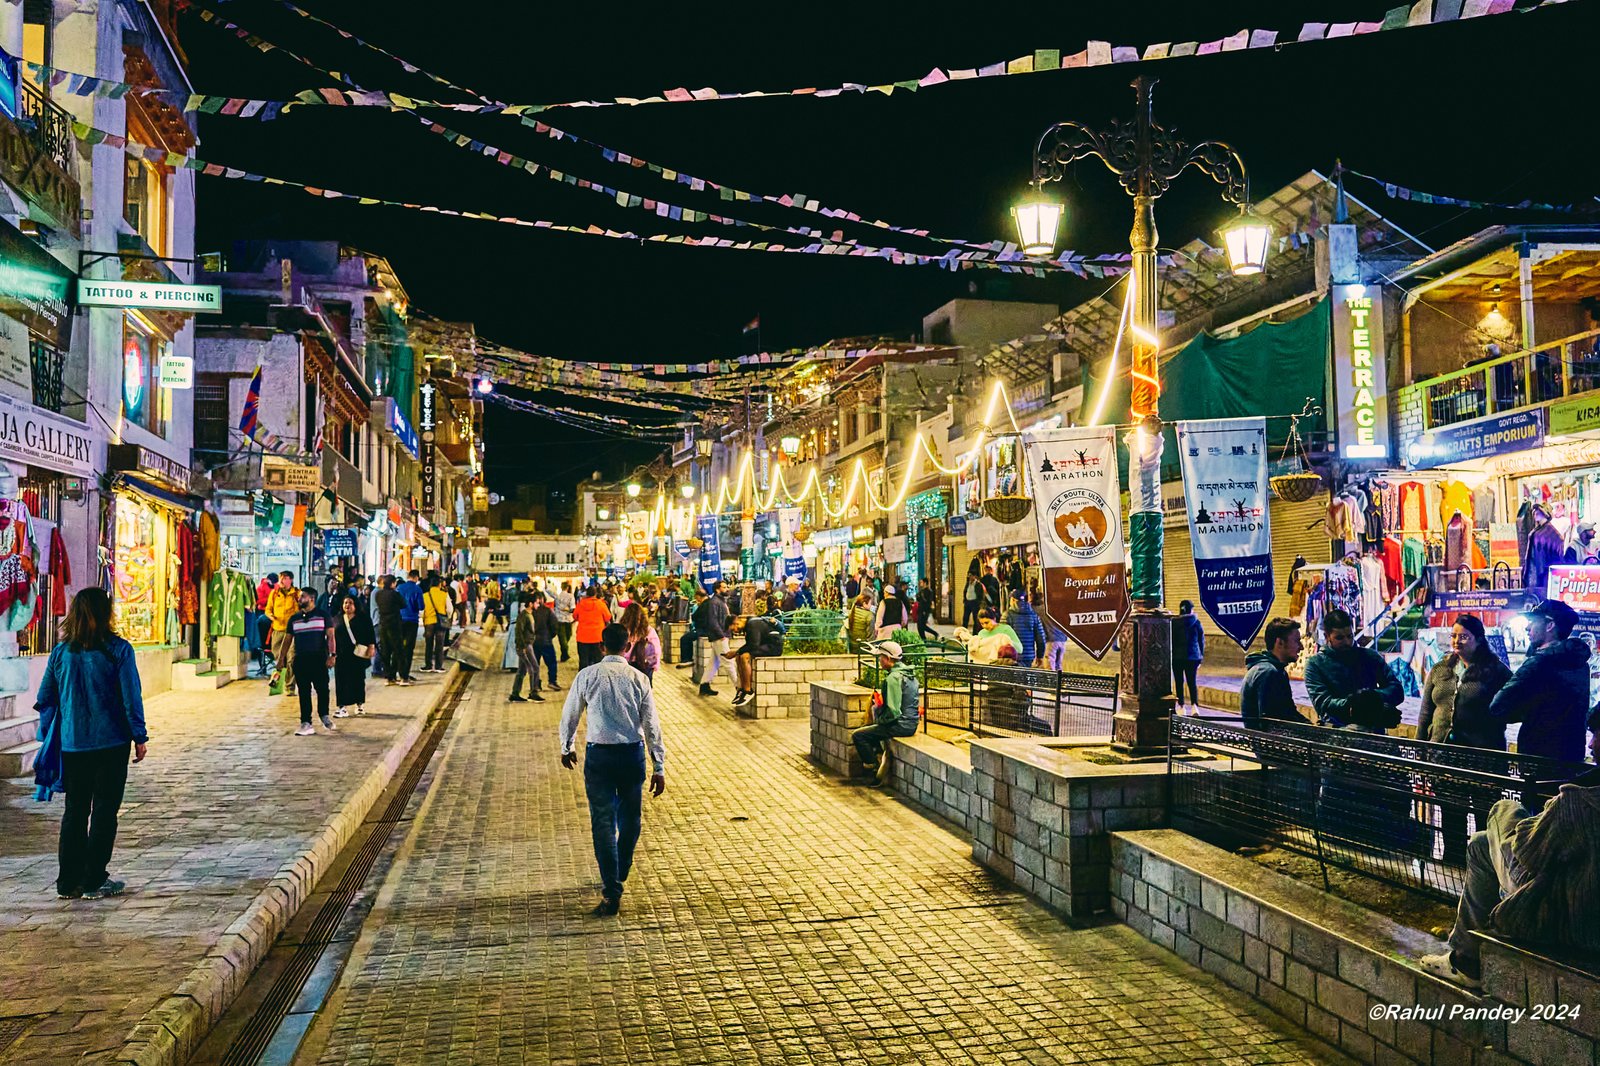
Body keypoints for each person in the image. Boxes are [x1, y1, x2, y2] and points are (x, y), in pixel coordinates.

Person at [1420, 784, 1600, 990]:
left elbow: (1528, 853)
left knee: (1504, 808)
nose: (1592, 749)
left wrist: (1548, 812)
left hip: (1559, 920)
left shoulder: (1579, 801)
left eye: (1597, 748)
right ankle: (1465, 956)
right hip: (1588, 920)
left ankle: (1467, 959)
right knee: (1480, 843)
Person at [36, 588, 147, 900]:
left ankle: (67, 881)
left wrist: (56, 729)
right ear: (105, 614)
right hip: (111, 743)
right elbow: (131, 697)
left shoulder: (61, 653)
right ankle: (94, 879)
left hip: (73, 745)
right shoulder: (118, 650)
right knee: (104, 812)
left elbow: (45, 697)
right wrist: (139, 735)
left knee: (75, 811)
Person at [559, 622, 667, 917]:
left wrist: (566, 746)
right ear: (627, 647)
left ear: (601, 647)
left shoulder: (587, 676)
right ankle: (622, 865)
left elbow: (570, 714)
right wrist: (659, 765)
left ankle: (611, 885)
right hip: (632, 754)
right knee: (631, 818)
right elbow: (651, 725)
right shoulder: (639, 679)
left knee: (602, 823)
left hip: (600, 758)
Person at [1418, 614, 1514, 861]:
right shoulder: (1442, 669)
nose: (1457, 641)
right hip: (1444, 757)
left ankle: (1484, 868)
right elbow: (1427, 711)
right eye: (1454, 636)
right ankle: (1453, 862)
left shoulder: (1495, 671)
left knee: (1485, 815)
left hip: (1481, 757)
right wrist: (1420, 747)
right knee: (1451, 812)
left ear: (1479, 639)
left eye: (1464, 636)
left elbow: (1511, 707)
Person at [1489, 599, 1592, 762]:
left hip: (1537, 757)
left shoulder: (1539, 662)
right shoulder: (1581, 664)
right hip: (1573, 754)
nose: (1527, 627)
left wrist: (1529, 712)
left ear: (1550, 625)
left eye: (1532, 622)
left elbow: (1498, 706)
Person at [1303, 609, 1404, 731]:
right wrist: (1357, 703)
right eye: (1339, 638)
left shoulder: (1370, 656)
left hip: (1373, 731)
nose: (1347, 642)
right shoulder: (1315, 664)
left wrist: (1370, 698)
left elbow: (1396, 689)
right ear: (1327, 636)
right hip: (1337, 731)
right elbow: (1323, 703)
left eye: (1350, 636)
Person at [851, 640, 920, 786]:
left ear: (888, 659)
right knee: (873, 734)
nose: (879, 661)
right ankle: (879, 758)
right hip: (911, 723)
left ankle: (873, 771)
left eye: (881, 657)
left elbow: (893, 712)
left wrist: (879, 719)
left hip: (900, 725)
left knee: (859, 736)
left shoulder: (893, 679)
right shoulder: (909, 674)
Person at [287, 590, 338, 736]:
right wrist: (282, 658)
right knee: (303, 691)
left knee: (322, 689)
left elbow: (330, 637)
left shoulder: (323, 615)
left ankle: (324, 715)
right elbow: (288, 639)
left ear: (312, 598)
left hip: (318, 658)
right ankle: (306, 722)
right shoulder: (294, 619)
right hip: (301, 658)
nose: (300, 598)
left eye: (303, 596)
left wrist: (332, 655)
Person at [1239, 618, 1304, 728]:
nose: (1301, 647)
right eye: (1297, 641)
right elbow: (1271, 723)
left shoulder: (1274, 670)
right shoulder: (1268, 673)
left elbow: (1289, 713)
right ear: (1280, 643)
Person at [725, 612, 783, 707]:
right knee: (739, 656)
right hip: (766, 645)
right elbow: (751, 645)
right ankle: (742, 689)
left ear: (736, 621)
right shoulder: (749, 624)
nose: (735, 631)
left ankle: (748, 690)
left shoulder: (752, 624)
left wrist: (736, 652)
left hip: (773, 646)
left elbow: (753, 645)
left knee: (744, 656)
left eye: (734, 628)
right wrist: (737, 652)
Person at [333, 595, 376, 717]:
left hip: (357, 654)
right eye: (345, 603)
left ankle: (360, 704)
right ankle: (342, 706)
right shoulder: (337, 619)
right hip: (341, 654)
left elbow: (370, 634)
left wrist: (371, 647)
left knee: (358, 679)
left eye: (350, 603)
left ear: (356, 605)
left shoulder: (363, 619)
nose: (347, 605)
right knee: (341, 680)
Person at [510, 592, 556, 703]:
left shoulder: (529, 614)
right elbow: (519, 632)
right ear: (530, 604)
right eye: (536, 603)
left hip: (528, 644)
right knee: (534, 668)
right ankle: (533, 692)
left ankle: (515, 693)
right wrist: (522, 646)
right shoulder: (524, 615)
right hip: (526, 646)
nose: (538, 605)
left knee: (522, 670)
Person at [690, 583, 730, 696]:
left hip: (722, 635)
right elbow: (713, 621)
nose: (727, 589)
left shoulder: (721, 601)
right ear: (717, 590)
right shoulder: (714, 602)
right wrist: (721, 635)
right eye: (724, 587)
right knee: (729, 663)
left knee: (714, 662)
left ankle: (704, 685)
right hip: (720, 637)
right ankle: (740, 688)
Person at [264, 571, 300, 696]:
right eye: (281, 578)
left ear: (290, 580)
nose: (282, 581)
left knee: (291, 658)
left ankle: (290, 687)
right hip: (277, 630)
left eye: (284, 578)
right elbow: (268, 609)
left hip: (292, 632)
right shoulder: (274, 594)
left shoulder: (297, 594)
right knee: (279, 658)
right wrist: (271, 616)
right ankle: (280, 682)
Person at [373, 575, 411, 687]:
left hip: (382, 623)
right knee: (399, 650)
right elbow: (404, 604)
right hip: (394, 624)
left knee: (385, 651)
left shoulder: (378, 594)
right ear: (392, 583)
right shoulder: (395, 594)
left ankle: (389, 677)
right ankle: (403, 677)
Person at [1170, 601, 1206, 714]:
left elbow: (1170, 641)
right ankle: (1194, 706)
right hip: (1193, 657)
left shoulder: (1173, 623)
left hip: (1177, 658)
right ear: (1191, 609)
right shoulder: (1196, 623)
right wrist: (1200, 656)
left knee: (1179, 682)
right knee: (1192, 682)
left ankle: (1181, 706)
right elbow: (1201, 641)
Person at [574, 585, 613, 669]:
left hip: (582, 636)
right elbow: (608, 617)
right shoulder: (601, 604)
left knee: (583, 661)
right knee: (598, 661)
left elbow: (575, 616)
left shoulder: (581, 604)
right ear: (596, 594)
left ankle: (583, 678)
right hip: (597, 637)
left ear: (587, 594)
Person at [421, 575, 453, 674]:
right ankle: (439, 666)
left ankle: (428, 665)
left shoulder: (425, 595)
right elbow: (450, 609)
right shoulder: (444, 594)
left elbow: (422, 610)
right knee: (440, 644)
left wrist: (424, 618)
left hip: (429, 622)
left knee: (428, 644)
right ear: (439, 584)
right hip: (441, 622)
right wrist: (446, 616)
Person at [1007, 590, 1047, 668]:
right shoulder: (1033, 615)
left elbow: (1003, 637)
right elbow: (1041, 638)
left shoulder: (1007, 615)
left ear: (1013, 600)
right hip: (1029, 655)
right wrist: (1040, 656)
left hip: (1012, 655)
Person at [398, 570, 424, 676]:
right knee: (409, 647)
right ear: (416, 577)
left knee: (398, 646)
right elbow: (421, 606)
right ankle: (405, 674)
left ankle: (397, 671)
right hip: (412, 620)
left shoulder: (399, 588)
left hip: (399, 619)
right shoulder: (417, 589)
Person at [554, 582, 577, 661]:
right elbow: (573, 608)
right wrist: (567, 609)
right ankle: (565, 653)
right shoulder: (571, 596)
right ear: (567, 587)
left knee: (562, 638)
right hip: (568, 619)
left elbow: (548, 591)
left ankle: (564, 653)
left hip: (559, 619)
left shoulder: (557, 596)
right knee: (568, 636)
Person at [962, 564, 983, 630]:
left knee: (975, 619)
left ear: (974, 576)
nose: (969, 577)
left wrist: (979, 602)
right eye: (969, 575)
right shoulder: (967, 583)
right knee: (965, 618)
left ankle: (975, 633)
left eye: (971, 575)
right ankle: (963, 631)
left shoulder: (978, 584)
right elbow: (965, 591)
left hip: (975, 603)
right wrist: (965, 600)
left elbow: (980, 594)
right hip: (968, 602)